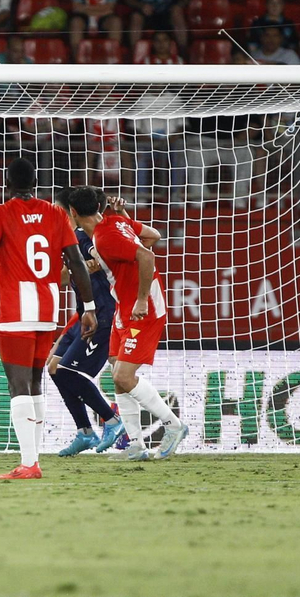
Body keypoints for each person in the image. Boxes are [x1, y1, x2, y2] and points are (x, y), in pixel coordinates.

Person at [0, 159, 98, 480]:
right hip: (49, 307)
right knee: (35, 383)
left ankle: (29, 464)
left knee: (18, 385)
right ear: (36, 181)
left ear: (7, 183)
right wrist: (89, 306)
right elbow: (76, 260)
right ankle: (33, 459)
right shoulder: (54, 213)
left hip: (17, 310)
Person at [89, 194, 187, 461]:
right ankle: (136, 444)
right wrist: (127, 220)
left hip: (143, 308)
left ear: (73, 213)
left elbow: (146, 253)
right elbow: (153, 235)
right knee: (115, 367)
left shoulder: (106, 235)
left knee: (122, 376)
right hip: (124, 306)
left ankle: (174, 425)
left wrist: (142, 298)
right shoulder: (117, 222)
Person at [50, 187, 126, 456]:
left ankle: (113, 420)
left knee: (69, 372)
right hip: (82, 314)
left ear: (69, 212)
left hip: (102, 314)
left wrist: (92, 262)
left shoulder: (84, 236)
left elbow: (104, 258)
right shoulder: (68, 240)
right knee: (54, 368)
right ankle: (85, 432)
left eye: (55, 208)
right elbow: (63, 277)